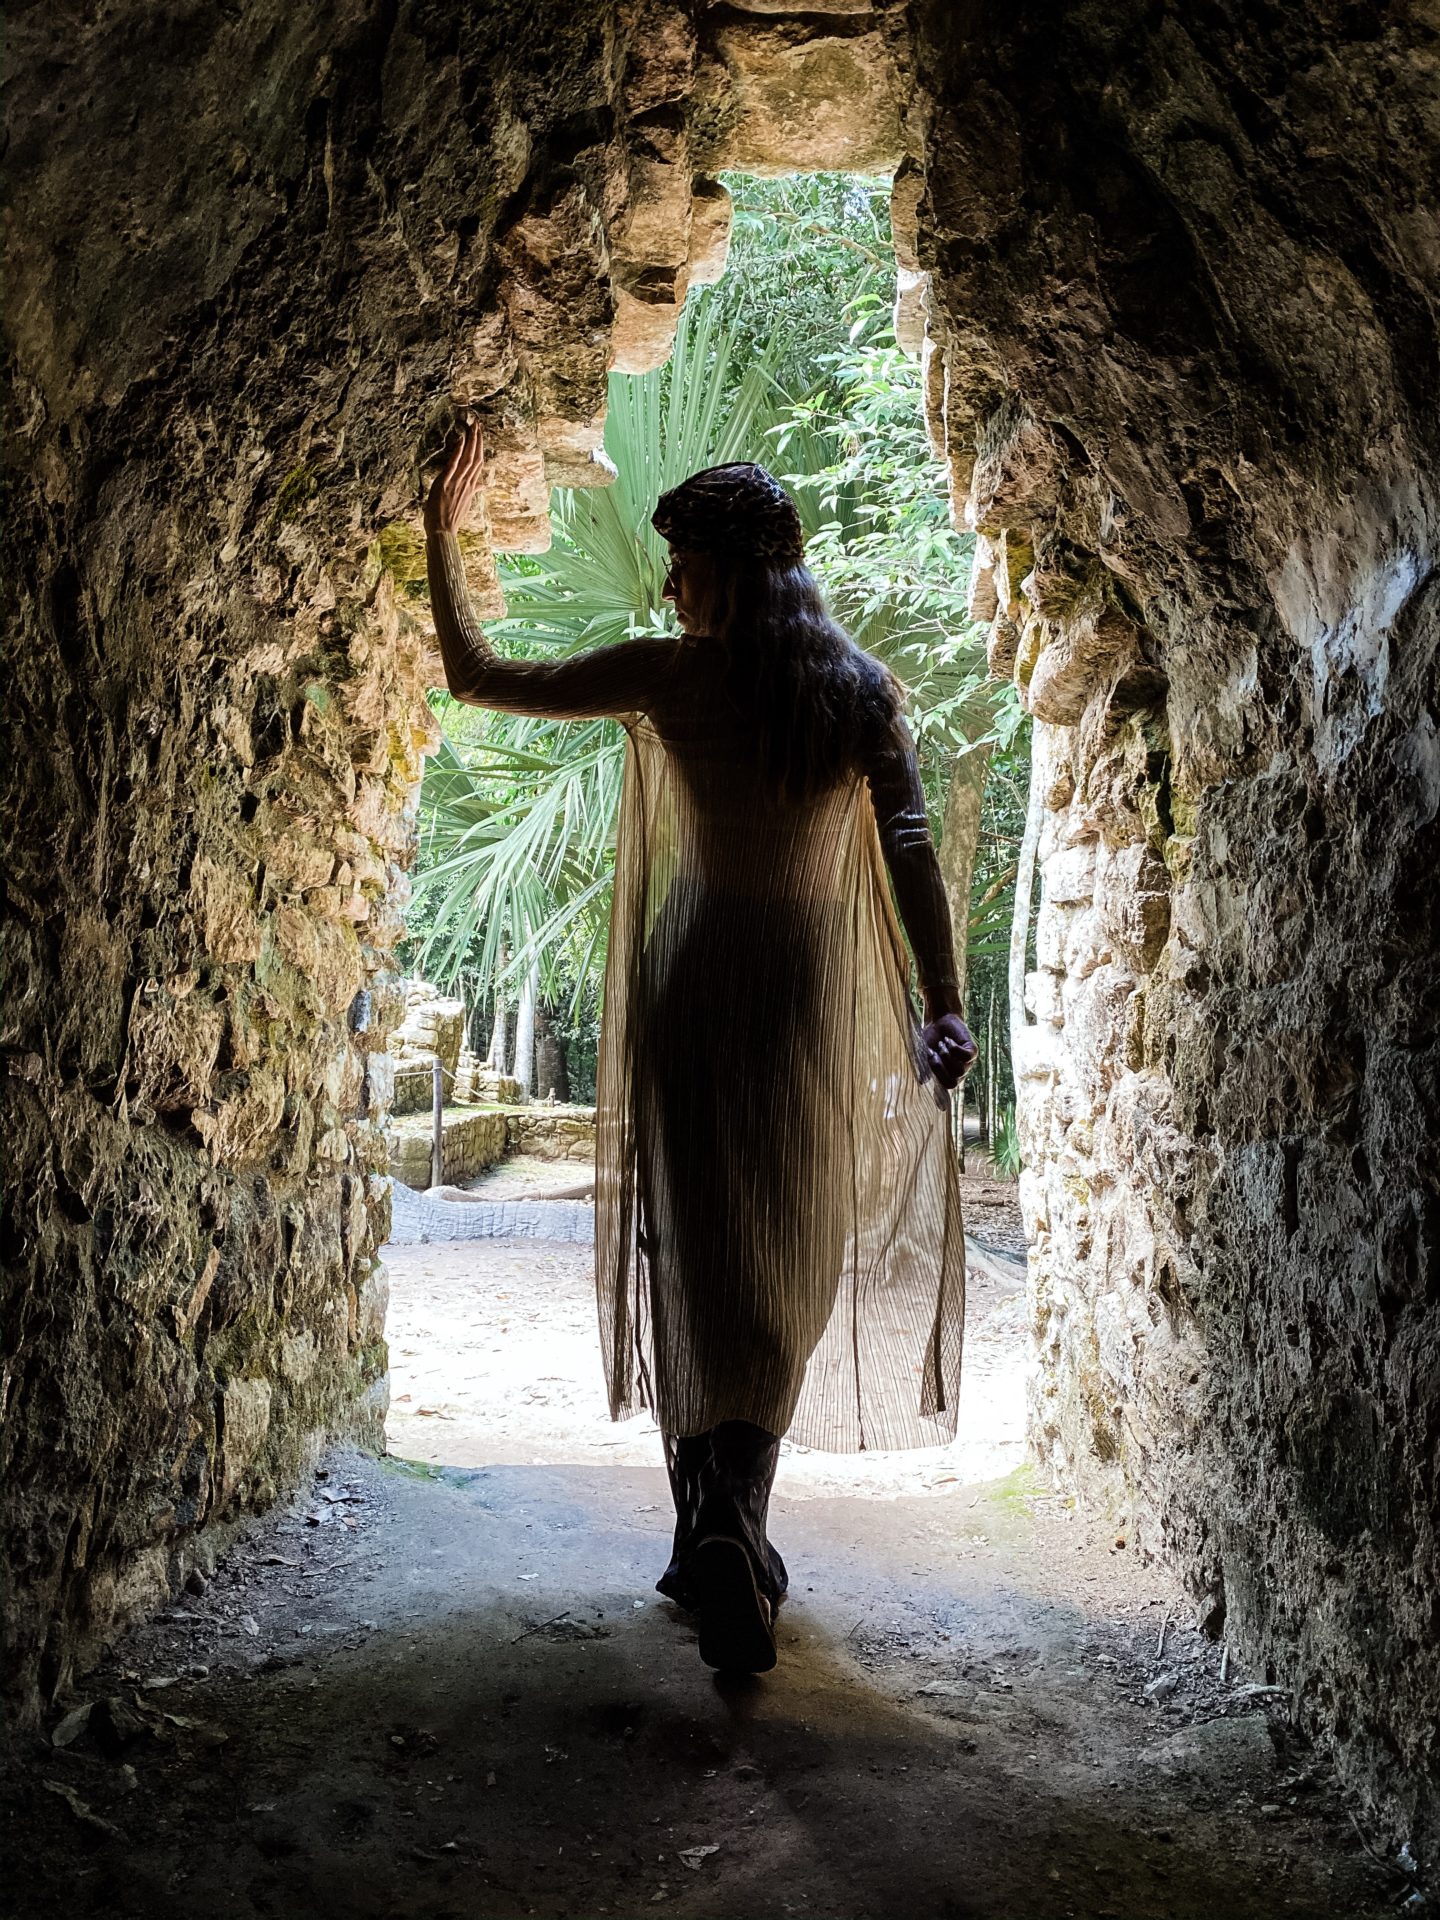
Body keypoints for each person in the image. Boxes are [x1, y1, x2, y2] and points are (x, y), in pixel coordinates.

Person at [424, 422, 977, 1674]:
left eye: (683, 564)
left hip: (692, 986)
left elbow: (478, 676)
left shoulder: (673, 680)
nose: (669, 587)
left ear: (731, 569)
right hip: (794, 996)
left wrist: (440, 531)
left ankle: (708, 1530)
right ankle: (733, 1516)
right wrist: (943, 999)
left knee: (693, 1238)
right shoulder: (855, 694)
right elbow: (910, 850)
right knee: (783, 1248)